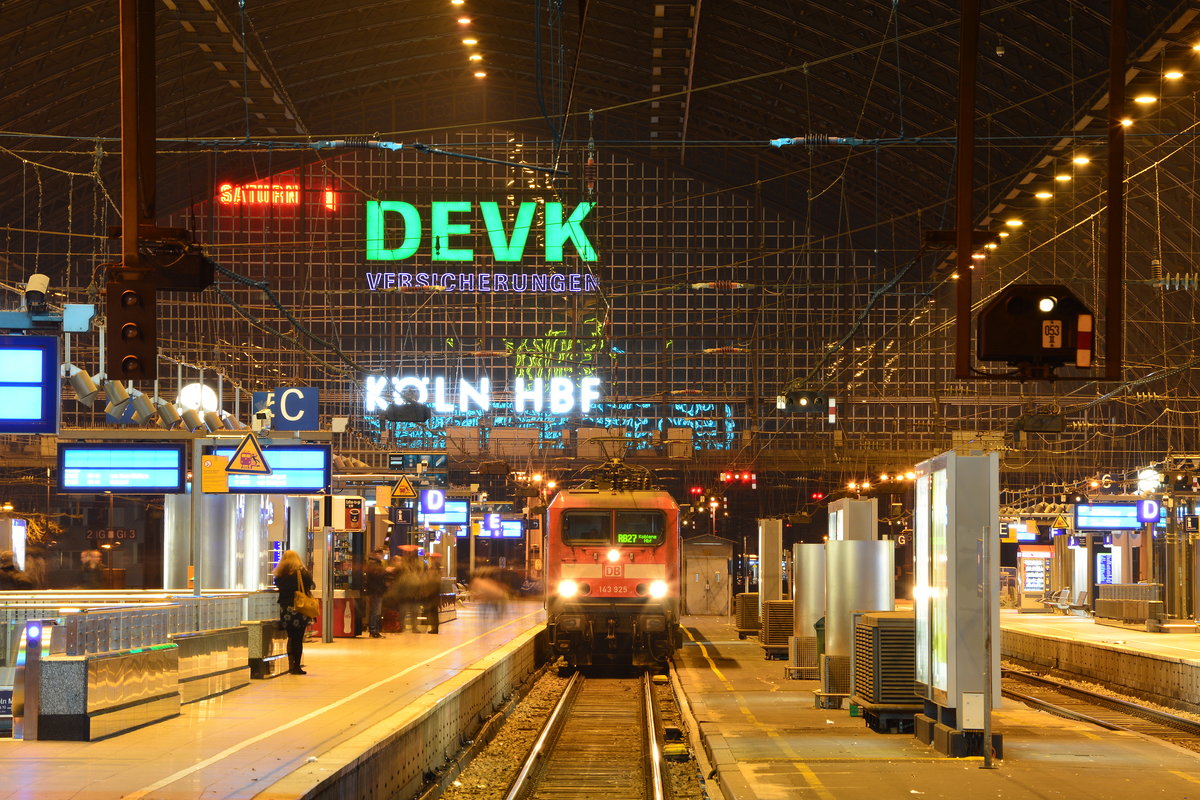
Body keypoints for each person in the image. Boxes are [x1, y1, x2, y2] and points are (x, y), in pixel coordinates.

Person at [273, 550, 315, 675]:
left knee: (290, 637)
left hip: (285, 609)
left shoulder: (280, 574)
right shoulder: (302, 573)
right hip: (299, 608)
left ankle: (290, 664)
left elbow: (278, 585)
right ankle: (297, 666)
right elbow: (311, 585)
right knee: (298, 637)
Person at [364, 548, 391, 638]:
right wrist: (385, 570)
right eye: (382, 554)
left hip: (377, 590)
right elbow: (376, 573)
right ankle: (373, 630)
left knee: (377, 611)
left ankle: (375, 630)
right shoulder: (373, 563)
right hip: (375, 591)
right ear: (377, 554)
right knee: (375, 611)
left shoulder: (376, 563)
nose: (383, 557)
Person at [419, 556, 443, 634]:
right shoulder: (435, 571)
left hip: (432, 595)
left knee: (433, 612)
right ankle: (434, 627)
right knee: (433, 612)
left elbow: (432, 583)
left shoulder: (434, 571)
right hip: (433, 595)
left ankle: (434, 628)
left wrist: (427, 592)